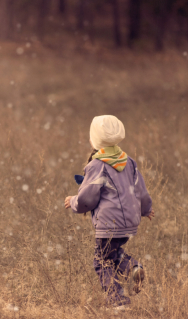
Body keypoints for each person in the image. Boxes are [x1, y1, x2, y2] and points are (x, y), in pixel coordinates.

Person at [64, 115, 154, 308]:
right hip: (129, 222)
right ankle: (132, 267)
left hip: (108, 223)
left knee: (101, 261)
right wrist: (146, 209)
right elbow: (141, 190)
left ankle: (117, 300)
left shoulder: (97, 165)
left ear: (94, 140)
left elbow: (87, 199)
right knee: (112, 254)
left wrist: (73, 202)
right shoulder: (129, 162)